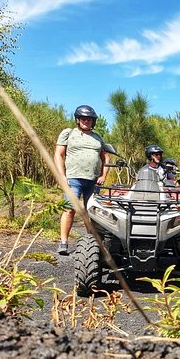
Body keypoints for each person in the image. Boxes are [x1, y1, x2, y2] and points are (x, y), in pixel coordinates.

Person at [54, 105, 109, 255]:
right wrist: (62, 176)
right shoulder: (68, 133)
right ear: (78, 120)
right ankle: (64, 242)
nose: (86, 121)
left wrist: (103, 175)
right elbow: (58, 154)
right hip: (73, 178)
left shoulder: (97, 137)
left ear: (93, 121)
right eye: (83, 118)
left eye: (89, 119)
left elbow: (106, 158)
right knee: (69, 209)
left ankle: (91, 243)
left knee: (91, 212)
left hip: (92, 181)